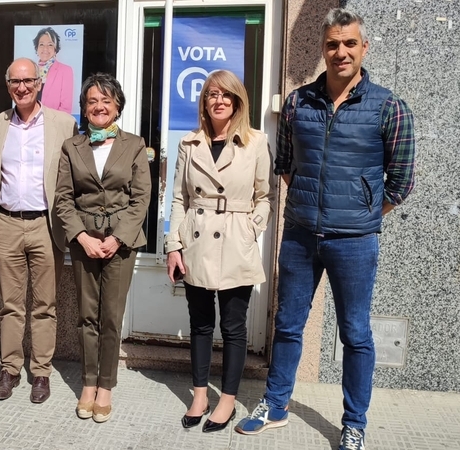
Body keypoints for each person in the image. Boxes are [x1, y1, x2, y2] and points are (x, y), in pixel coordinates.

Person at [234, 8, 415, 450]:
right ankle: (275, 404)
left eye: (349, 43)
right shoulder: (299, 102)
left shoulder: (388, 107)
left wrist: (362, 215)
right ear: (322, 49)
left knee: (355, 333)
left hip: (355, 242)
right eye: (333, 44)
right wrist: (311, 207)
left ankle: (354, 422)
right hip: (298, 236)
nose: (341, 52)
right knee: (289, 324)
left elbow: (402, 180)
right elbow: (285, 165)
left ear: (363, 48)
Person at [164, 70, 273, 432]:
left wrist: (249, 228)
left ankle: (227, 399)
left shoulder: (255, 142)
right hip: (194, 240)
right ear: (204, 101)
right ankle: (199, 394)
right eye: (212, 94)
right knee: (200, 324)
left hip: (236, 242)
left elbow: (265, 197)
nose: (219, 100)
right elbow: (178, 197)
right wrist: (173, 245)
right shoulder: (189, 142)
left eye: (226, 94)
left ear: (238, 100)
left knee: (233, 326)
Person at [54, 72, 151, 423]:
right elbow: (63, 199)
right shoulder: (72, 147)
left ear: (117, 106)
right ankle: (88, 382)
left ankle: (106, 385)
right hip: (83, 243)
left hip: (121, 245)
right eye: (92, 101)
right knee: (86, 316)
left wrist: (116, 238)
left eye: (106, 101)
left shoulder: (135, 145)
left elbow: (141, 199)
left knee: (110, 316)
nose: (99, 106)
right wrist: (81, 237)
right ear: (84, 107)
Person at [0, 58, 78, 403]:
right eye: (15, 82)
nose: (22, 88)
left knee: (45, 305)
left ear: (39, 82)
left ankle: (41, 372)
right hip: (8, 222)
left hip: (46, 223)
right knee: (11, 304)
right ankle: (10, 368)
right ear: (8, 84)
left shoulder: (63, 123)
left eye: (28, 81)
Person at [33, 27, 74, 114]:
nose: (45, 48)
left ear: (55, 50)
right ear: (36, 49)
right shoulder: (31, 70)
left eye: (50, 45)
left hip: (54, 123)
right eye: (41, 44)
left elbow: (65, 108)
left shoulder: (65, 71)